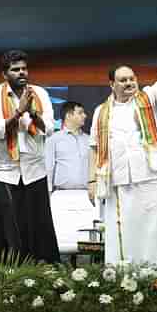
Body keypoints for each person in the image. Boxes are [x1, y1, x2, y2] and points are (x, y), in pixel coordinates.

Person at [88, 32, 157, 267]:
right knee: (121, 231)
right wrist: (91, 181)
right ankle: (122, 278)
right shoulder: (101, 112)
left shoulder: (147, 98)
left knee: (153, 230)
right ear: (112, 84)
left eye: (132, 78)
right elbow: (95, 147)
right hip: (117, 180)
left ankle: (155, 277)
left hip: (148, 176)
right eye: (123, 80)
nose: (129, 83)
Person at [0, 50, 58, 264]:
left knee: (39, 227)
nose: (22, 73)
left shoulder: (40, 94)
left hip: (34, 170)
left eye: (24, 68)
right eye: (15, 70)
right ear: (5, 74)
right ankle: (11, 277)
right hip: (4, 171)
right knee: (9, 229)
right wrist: (18, 112)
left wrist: (33, 113)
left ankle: (42, 275)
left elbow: (49, 128)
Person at [45, 101, 95, 250]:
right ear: (68, 115)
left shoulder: (90, 140)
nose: (85, 116)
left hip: (88, 196)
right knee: (61, 237)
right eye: (80, 112)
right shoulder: (53, 139)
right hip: (61, 196)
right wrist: (46, 197)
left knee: (86, 240)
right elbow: (48, 169)